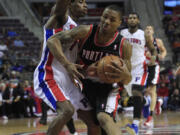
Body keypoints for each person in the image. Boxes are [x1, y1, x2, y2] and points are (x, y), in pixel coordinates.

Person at [47, 5, 132, 135]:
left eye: (112, 19)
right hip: (85, 86)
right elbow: (52, 40)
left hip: (108, 89)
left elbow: (127, 80)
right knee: (92, 124)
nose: (107, 21)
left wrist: (125, 74)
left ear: (120, 22)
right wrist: (67, 64)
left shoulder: (124, 45)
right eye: (105, 17)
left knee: (103, 118)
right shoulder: (86, 31)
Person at [33, 0, 100, 135]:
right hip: (49, 75)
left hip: (69, 80)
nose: (85, 5)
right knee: (67, 111)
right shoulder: (60, 19)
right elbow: (60, 6)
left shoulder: (77, 29)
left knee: (94, 121)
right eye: (81, 2)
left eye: (86, 2)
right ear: (70, 4)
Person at [120, 12, 157, 135]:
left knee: (136, 93)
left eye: (134, 18)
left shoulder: (143, 34)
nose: (132, 20)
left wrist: (153, 58)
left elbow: (152, 49)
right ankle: (146, 101)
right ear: (127, 20)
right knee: (134, 98)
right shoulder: (122, 33)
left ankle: (135, 125)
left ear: (138, 21)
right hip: (126, 68)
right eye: (130, 18)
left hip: (140, 68)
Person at [142, 25, 167, 128]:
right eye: (146, 29)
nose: (148, 30)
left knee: (152, 91)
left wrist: (162, 55)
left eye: (150, 29)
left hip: (153, 67)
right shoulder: (141, 41)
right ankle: (156, 102)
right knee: (144, 92)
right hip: (142, 67)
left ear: (153, 31)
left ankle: (150, 118)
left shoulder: (158, 41)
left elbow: (164, 51)